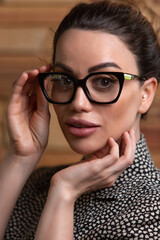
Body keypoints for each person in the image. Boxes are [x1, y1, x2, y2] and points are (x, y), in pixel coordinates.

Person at [0, 0, 160, 239]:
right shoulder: (37, 185)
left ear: (145, 94)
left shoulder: (153, 208)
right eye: (64, 80)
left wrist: (64, 193)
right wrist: (20, 157)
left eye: (104, 81)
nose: (78, 103)